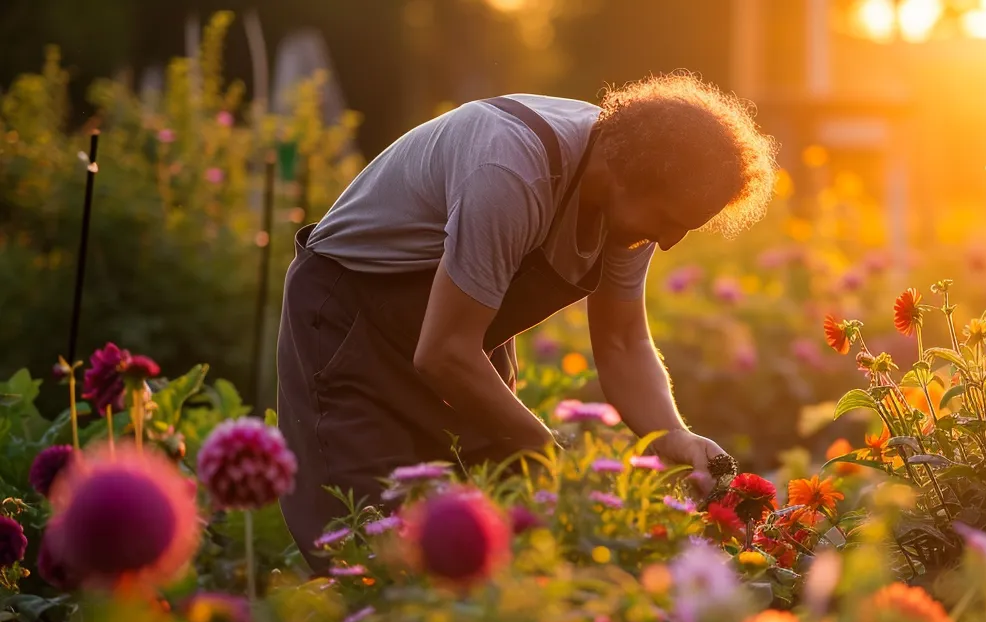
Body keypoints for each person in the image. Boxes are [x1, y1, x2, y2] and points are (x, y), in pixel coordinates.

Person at [275, 73, 778, 572]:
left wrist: (674, 437)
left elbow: (623, 342)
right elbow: (444, 353)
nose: (668, 242)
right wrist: (550, 451)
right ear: (626, 172)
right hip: (355, 325)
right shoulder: (514, 169)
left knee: (502, 537)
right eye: (669, 220)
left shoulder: (628, 211)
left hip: (463, 341)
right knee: (370, 547)